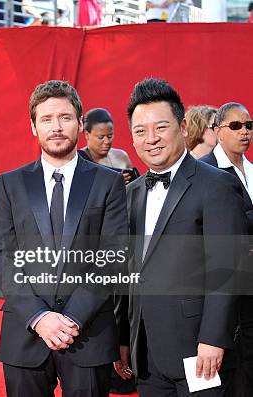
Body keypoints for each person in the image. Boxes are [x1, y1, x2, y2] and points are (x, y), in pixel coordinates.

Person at [0, 80, 128, 397]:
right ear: (33, 127)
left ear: (80, 124)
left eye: (65, 118)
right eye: (47, 119)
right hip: (25, 333)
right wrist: (39, 318)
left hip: (89, 332)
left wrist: (72, 318)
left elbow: (113, 256)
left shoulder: (108, 183)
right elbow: (3, 256)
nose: (56, 127)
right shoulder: (10, 184)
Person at [121, 78, 246, 396]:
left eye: (160, 127)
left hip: (201, 352)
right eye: (140, 131)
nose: (151, 139)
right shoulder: (130, 194)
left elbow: (229, 269)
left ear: (183, 126)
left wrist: (214, 338)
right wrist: (124, 339)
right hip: (147, 354)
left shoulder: (216, 185)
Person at [199, 102, 253, 397]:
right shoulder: (205, 172)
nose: (244, 132)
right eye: (235, 126)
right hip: (223, 291)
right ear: (217, 131)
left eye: (249, 125)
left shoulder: (252, 170)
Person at [79, 107, 137, 184]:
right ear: (87, 134)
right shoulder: (79, 160)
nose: (107, 141)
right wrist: (111, 183)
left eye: (110, 136)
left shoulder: (122, 156)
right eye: (101, 137)